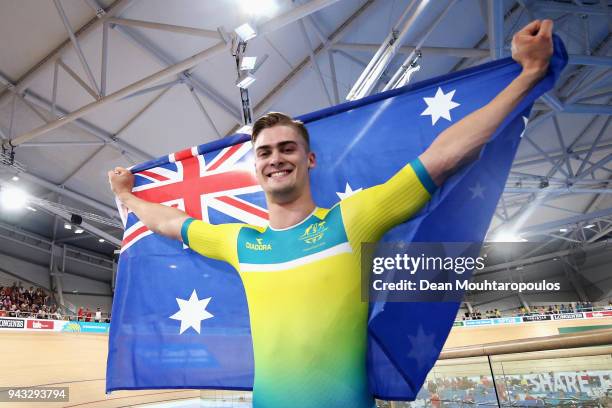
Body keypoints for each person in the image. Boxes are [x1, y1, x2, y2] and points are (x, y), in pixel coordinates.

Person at [108, 20, 553, 408]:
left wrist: (529, 74)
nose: (275, 158)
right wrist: (127, 198)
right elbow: (169, 224)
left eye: (287, 148)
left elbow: (442, 156)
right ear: (256, 167)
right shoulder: (241, 244)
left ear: (309, 160)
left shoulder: (351, 220)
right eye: (264, 152)